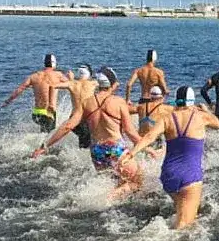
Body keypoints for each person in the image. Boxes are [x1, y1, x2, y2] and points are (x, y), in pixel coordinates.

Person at [33, 67, 143, 200]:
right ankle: (107, 199)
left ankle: (108, 202)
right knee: (137, 180)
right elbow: (130, 132)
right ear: (113, 85)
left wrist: (44, 146)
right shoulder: (118, 102)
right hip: (115, 150)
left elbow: (68, 126)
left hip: (97, 152)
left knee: (116, 181)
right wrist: (147, 147)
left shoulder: (86, 103)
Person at [122, 87, 219, 229]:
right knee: (184, 226)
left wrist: (131, 153)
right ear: (192, 102)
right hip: (189, 175)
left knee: (182, 208)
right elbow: (217, 124)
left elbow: (149, 137)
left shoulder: (167, 118)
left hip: (168, 175)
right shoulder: (200, 116)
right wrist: (205, 109)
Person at [1, 53, 69, 132]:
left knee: (43, 133)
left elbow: (19, 90)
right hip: (48, 113)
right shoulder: (58, 75)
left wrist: (7, 102)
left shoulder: (33, 76)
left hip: (36, 114)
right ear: (54, 63)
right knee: (48, 137)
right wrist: (71, 77)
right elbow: (74, 85)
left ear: (44, 63)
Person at [131, 85, 172, 155]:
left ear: (150, 96)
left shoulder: (141, 107)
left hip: (140, 142)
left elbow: (127, 110)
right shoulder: (164, 108)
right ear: (161, 97)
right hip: (154, 141)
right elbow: (182, 111)